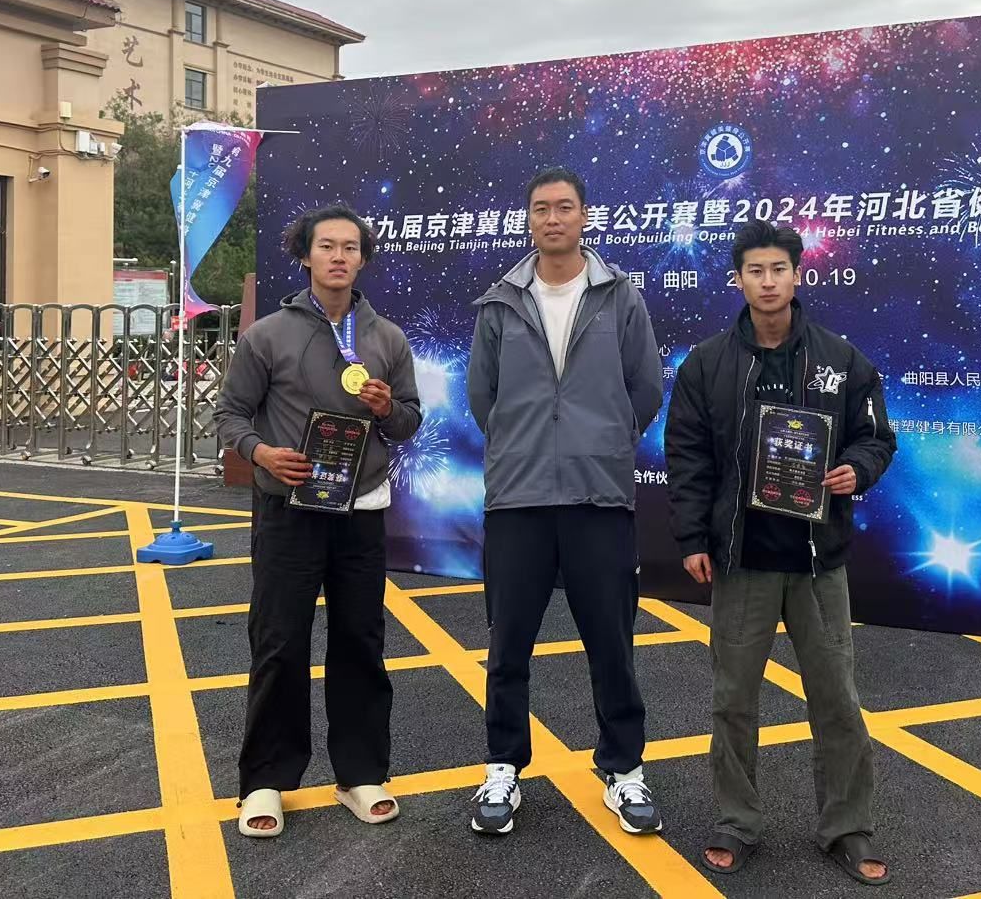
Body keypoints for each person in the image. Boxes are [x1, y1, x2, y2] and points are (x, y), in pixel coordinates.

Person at [665, 219, 896, 885]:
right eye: (755, 271)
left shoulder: (839, 359)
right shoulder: (708, 363)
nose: (767, 282)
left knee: (837, 698)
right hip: (743, 562)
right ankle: (737, 821)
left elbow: (876, 437)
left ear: (797, 275)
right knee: (733, 699)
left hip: (818, 561)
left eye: (778, 269)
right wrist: (692, 538)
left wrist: (857, 469)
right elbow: (687, 456)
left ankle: (847, 825)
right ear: (738, 279)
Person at [465, 167, 666, 836]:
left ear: (584, 216)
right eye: (540, 208)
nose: (552, 218)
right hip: (517, 500)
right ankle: (502, 766)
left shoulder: (620, 297)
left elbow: (645, 388)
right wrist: (522, 444)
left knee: (611, 644)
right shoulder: (500, 303)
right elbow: (482, 398)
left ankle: (623, 768)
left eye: (564, 207)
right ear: (528, 219)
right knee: (507, 646)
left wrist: (601, 440)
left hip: (597, 496)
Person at [214, 203, 423, 839]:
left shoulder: (386, 338)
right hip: (289, 509)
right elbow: (229, 415)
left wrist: (387, 409)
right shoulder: (267, 335)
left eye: (350, 247)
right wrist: (261, 454)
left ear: (363, 259)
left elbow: (409, 422)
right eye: (326, 246)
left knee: (360, 640)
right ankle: (266, 781)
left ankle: (360, 774)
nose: (338, 256)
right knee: (279, 641)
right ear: (304, 255)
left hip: (360, 511)